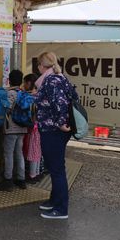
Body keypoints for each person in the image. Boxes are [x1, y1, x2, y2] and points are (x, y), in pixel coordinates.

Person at [35, 52, 78, 220]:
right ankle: (55, 200)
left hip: (53, 130)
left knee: (57, 169)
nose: (37, 67)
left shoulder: (51, 80)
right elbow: (74, 97)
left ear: (42, 65)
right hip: (55, 130)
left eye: (38, 64)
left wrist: (61, 123)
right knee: (55, 168)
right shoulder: (60, 77)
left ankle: (61, 208)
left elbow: (58, 103)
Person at [0, 70, 27, 192]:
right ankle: (21, 179)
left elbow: (7, 109)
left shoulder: (10, 93)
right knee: (19, 153)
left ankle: (8, 180)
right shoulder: (23, 93)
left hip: (11, 128)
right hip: (22, 128)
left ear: (9, 80)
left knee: (8, 153)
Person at [22, 73, 42, 183]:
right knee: (38, 151)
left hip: (34, 127)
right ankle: (37, 173)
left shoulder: (32, 96)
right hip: (40, 127)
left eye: (24, 82)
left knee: (34, 151)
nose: (23, 84)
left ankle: (32, 175)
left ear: (29, 83)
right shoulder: (41, 94)